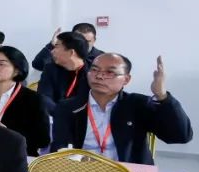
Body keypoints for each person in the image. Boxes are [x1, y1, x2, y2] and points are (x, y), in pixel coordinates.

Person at [51, 54, 193, 164]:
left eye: (110, 72)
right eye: (94, 70)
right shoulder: (68, 107)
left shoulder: (137, 105)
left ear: (126, 79)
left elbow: (180, 136)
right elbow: (60, 148)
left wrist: (162, 96)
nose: (99, 76)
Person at [0, 46, 50, 157]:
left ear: (16, 70)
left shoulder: (34, 99)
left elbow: (43, 140)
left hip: (17, 156)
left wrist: (9, 134)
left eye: (1, 64)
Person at [36, 31, 90, 113]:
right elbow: (44, 97)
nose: (52, 51)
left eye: (56, 47)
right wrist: (61, 114)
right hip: (54, 115)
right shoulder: (50, 69)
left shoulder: (91, 73)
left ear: (71, 52)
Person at [32, 23, 104, 72]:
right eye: (79, 42)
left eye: (87, 41)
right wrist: (52, 45)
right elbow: (38, 65)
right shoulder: (62, 53)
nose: (83, 45)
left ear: (94, 40)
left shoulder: (102, 58)